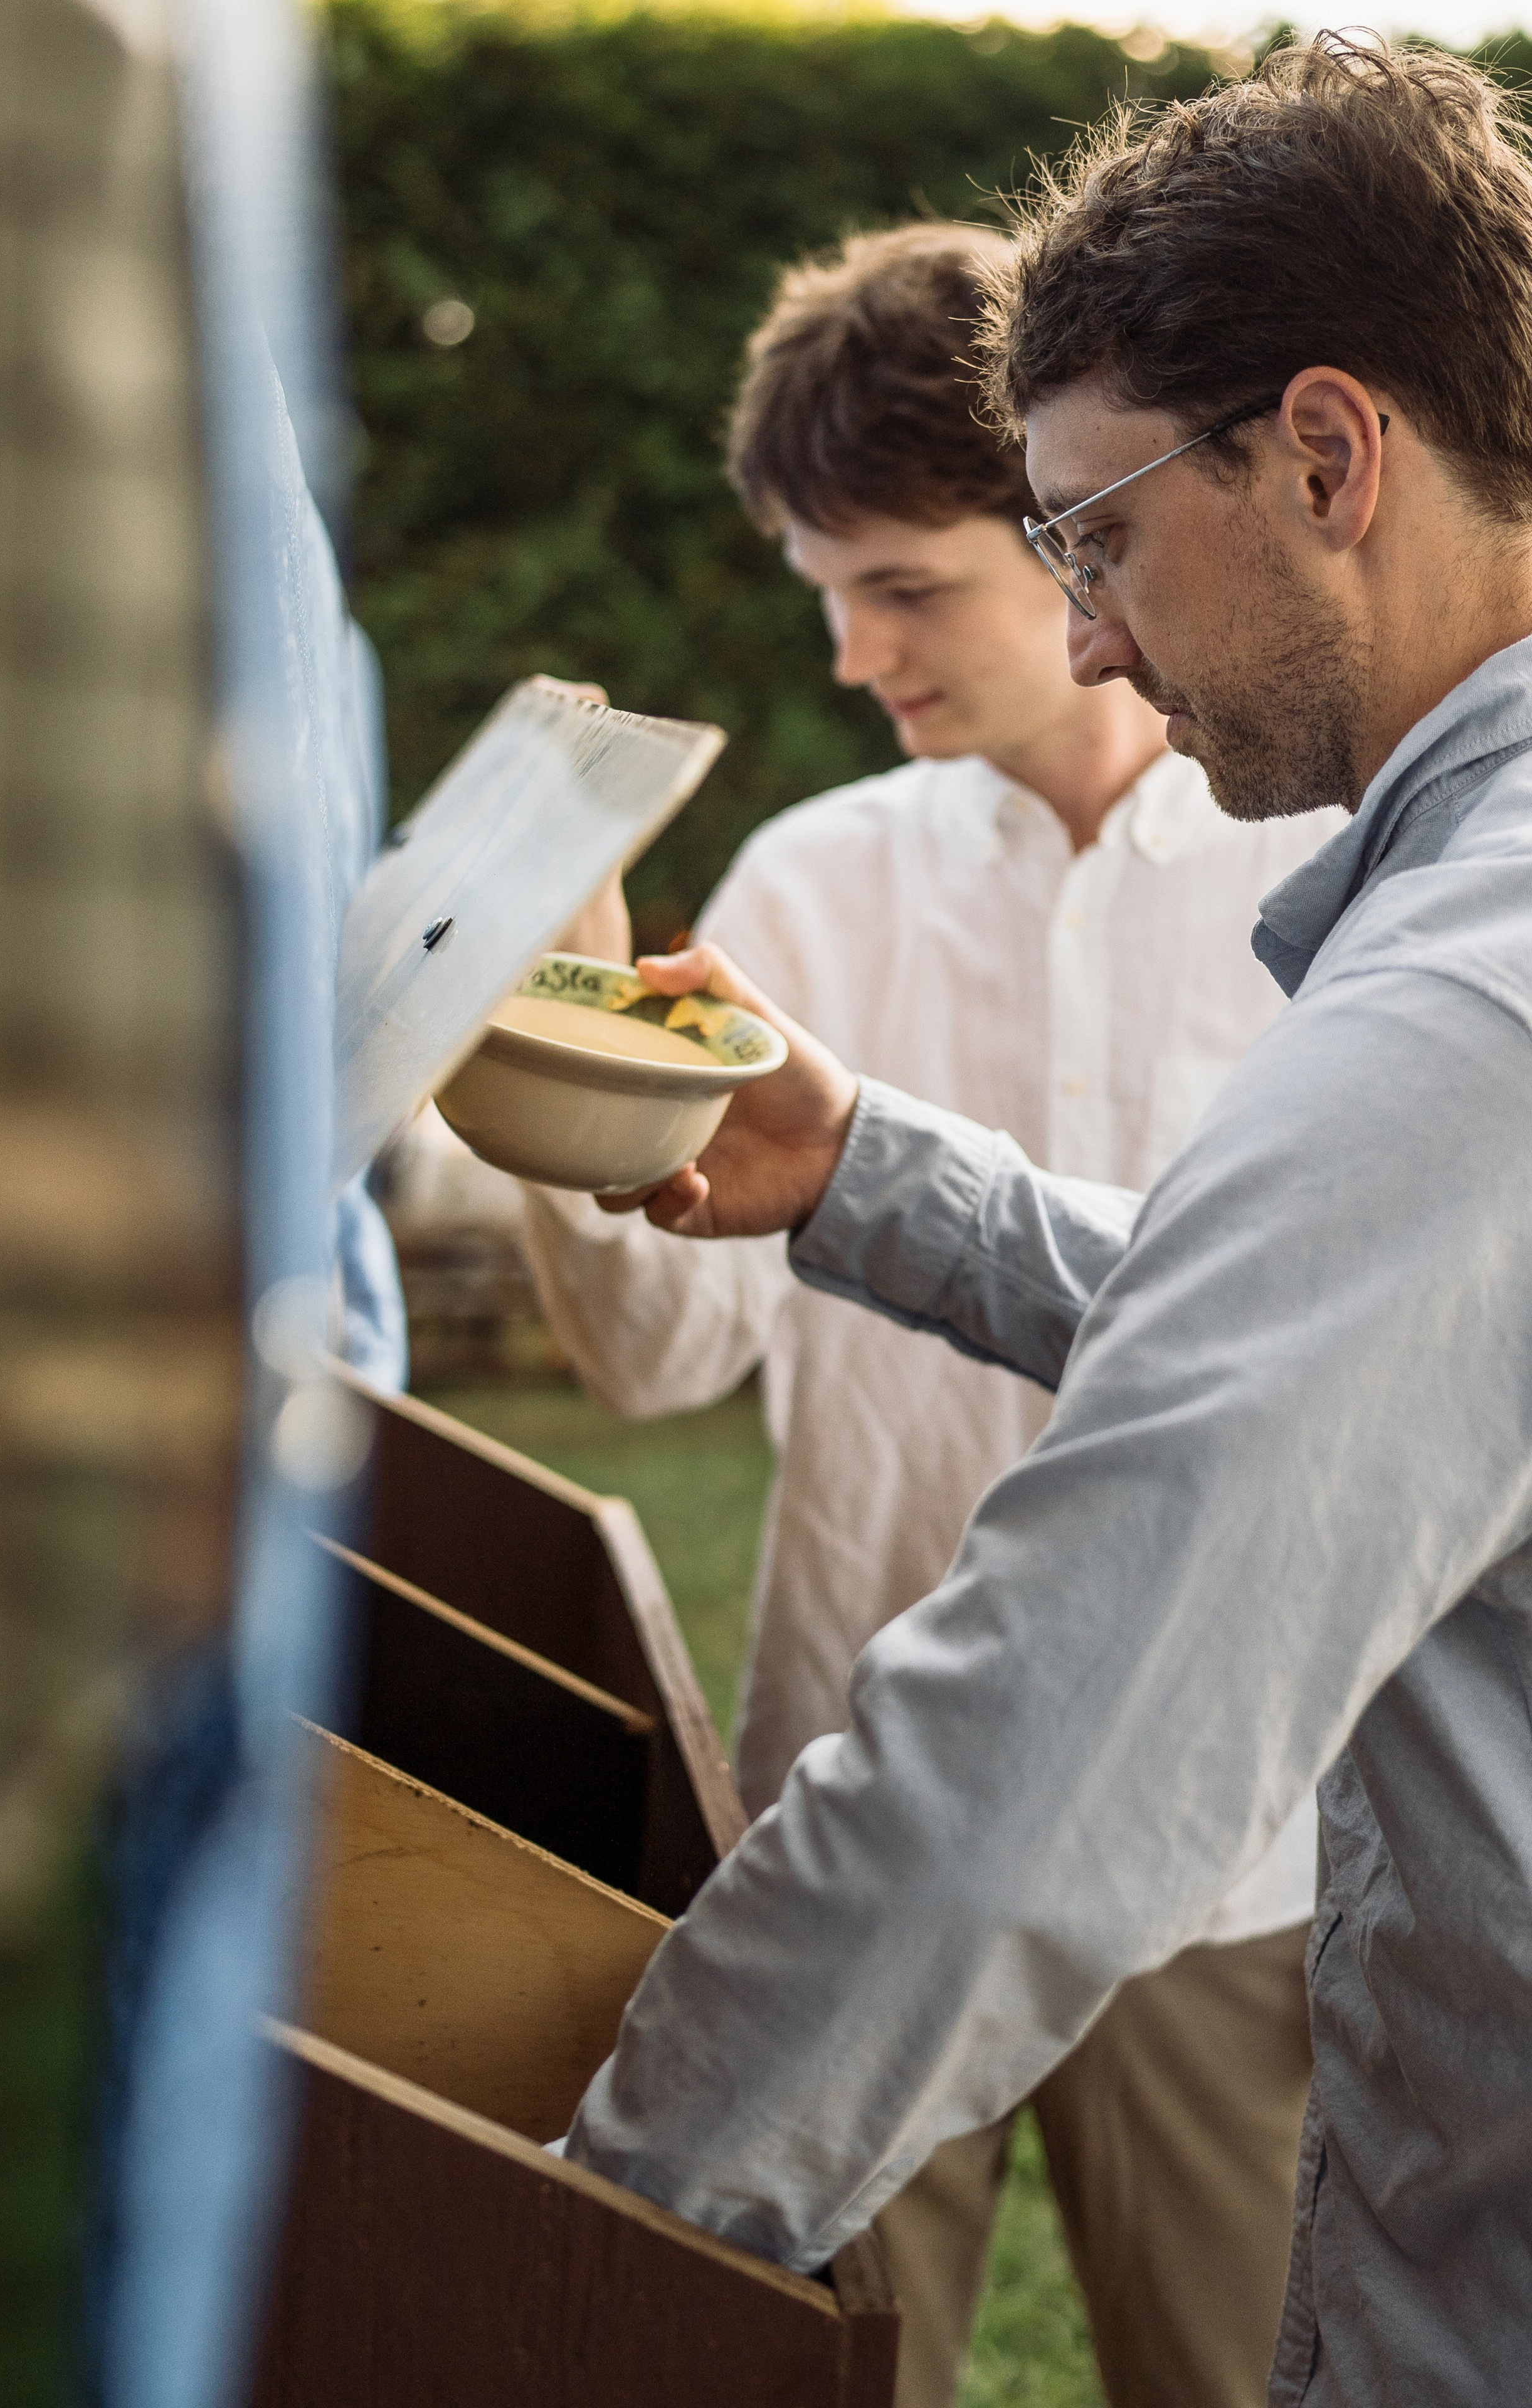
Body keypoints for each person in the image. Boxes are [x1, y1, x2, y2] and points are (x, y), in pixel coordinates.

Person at [554, 38, 1532, 2407]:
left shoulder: (1471, 999)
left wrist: (572, 2241)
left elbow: (1049, 1740)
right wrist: (871, 1176)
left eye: (1091, 534)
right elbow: (1368, 1358)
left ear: (1327, 457)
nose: (1086, 630)